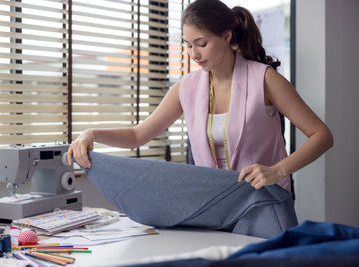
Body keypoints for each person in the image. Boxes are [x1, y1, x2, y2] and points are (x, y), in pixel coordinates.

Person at [68, 0, 333, 192]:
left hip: (266, 200)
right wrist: (91, 134)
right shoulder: (186, 88)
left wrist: (277, 170)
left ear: (226, 36)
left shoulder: (264, 79)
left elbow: (322, 135)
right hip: (213, 203)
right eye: (188, 45)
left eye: (202, 44)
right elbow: (140, 135)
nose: (194, 54)